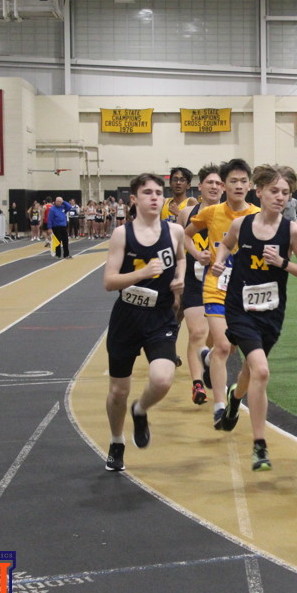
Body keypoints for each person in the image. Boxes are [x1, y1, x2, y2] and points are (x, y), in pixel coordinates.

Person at [212, 163, 297, 471]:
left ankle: (235, 398)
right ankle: (260, 445)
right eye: (274, 191)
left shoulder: (291, 231)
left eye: (286, 192)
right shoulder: (241, 225)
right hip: (240, 308)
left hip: (271, 312)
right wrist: (219, 261)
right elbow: (225, 245)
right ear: (259, 192)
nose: (280, 197)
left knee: (251, 369)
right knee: (262, 370)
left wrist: (283, 263)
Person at [102, 173, 186, 471]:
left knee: (162, 379)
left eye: (158, 193)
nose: (154, 197)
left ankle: (140, 409)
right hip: (127, 316)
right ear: (134, 199)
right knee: (118, 391)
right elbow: (109, 281)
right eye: (147, 192)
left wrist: (179, 278)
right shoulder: (122, 234)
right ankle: (116, 441)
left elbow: (181, 258)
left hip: (160, 315)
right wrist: (142, 273)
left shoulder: (174, 231)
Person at [186, 159, 260, 423]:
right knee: (223, 345)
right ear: (224, 185)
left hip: (246, 292)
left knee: (230, 346)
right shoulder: (211, 213)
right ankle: (219, 406)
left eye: (243, 181)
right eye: (233, 181)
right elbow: (186, 234)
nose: (238, 186)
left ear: (250, 186)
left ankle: (208, 359)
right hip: (215, 287)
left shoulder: (258, 214)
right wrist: (198, 254)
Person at [178, 163, 225, 406]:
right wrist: (196, 255)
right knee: (197, 332)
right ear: (200, 186)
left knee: (217, 339)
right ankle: (197, 384)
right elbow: (181, 241)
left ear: (224, 187)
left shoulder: (232, 215)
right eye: (210, 182)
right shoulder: (187, 213)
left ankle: (208, 362)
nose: (214, 187)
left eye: (218, 183)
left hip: (221, 282)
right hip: (193, 279)